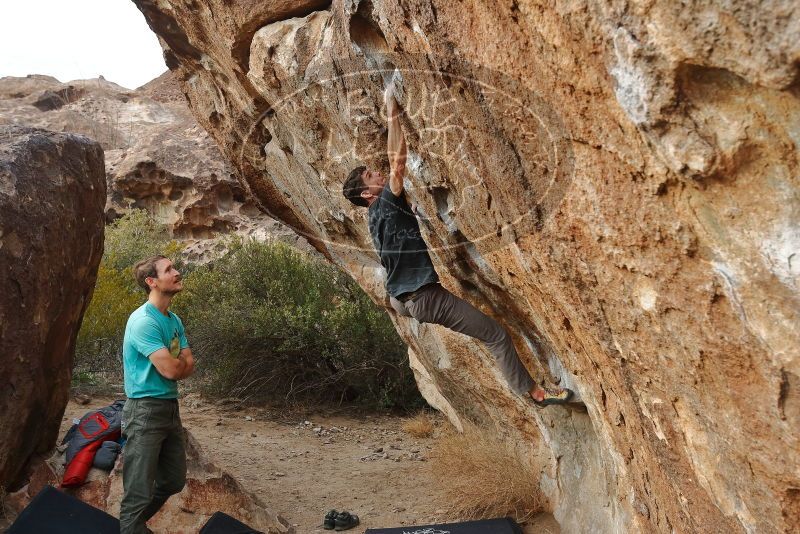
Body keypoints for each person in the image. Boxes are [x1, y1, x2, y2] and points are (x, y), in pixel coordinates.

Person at [342, 84, 573, 407]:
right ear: (368, 194)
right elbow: (397, 164)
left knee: (489, 331)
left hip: (402, 299)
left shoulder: (374, 218)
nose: (376, 171)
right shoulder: (385, 204)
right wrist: (392, 111)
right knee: (496, 335)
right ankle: (537, 394)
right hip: (423, 298)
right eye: (370, 174)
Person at [119, 255, 195, 534]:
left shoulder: (173, 320)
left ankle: (132, 525)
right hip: (145, 410)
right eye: (168, 270)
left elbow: (187, 364)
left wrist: (179, 365)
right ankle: (131, 525)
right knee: (137, 494)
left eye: (174, 267)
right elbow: (173, 370)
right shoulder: (143, 322)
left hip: (168, 407)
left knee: (173, 481)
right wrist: (179, 365)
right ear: (152, 281)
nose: (176, 272)